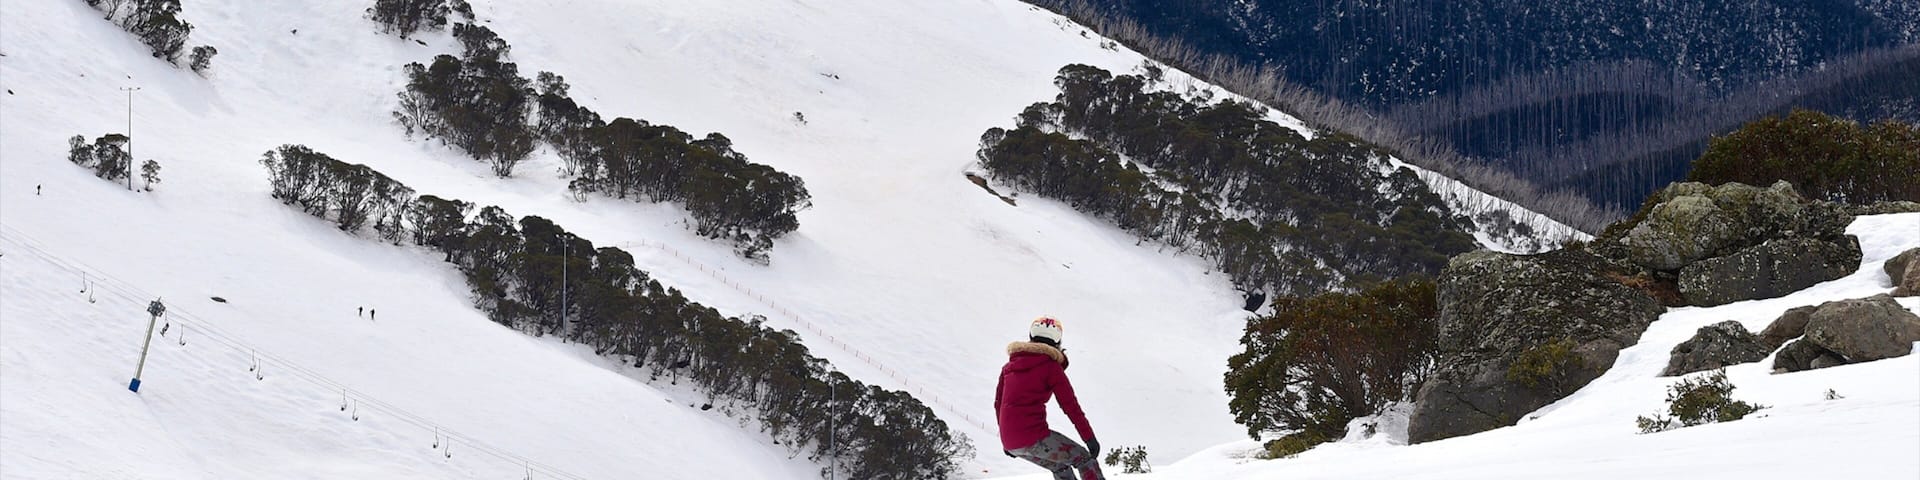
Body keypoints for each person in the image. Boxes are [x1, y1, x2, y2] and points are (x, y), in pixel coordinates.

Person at [996, 316, 1104, 480]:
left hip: (1010, 442)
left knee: (1060, 466)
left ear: (1031, 336)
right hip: (1034, 437)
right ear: (1057, 342)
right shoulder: (1050, 366)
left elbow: (998, 404)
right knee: (1084, 459)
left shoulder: (1008, 368)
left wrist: (1006, 438)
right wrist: (1089, 437)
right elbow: (1070, 406)